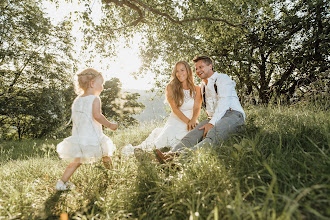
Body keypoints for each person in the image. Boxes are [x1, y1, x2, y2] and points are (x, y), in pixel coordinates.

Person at [154, 55, 245, 162]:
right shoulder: (202, 86)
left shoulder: (222, 78)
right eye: (196, 68)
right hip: (213, 118)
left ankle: (180, 158)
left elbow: (224, 104)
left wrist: (211, 124)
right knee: (191, 135)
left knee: (212, 135)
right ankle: (169, 155)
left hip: (232, 115)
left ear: (210, 66)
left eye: (201, 67)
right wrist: (209, 121)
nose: (198, 70)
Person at [55, 68, 118, 191]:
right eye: (102, 84)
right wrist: (110, 125)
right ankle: (113, 175)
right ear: (92, 83)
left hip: (80, 137)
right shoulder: (95, 98)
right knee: (105, 155)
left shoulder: (78, 100)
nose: (103, 87)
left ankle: (61, 182)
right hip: (93, 136)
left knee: (76, 161)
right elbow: (97, 116)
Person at [121, 61, 202, 155]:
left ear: (188, 71)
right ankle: (144, 153)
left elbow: (197, 107)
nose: (179, 74)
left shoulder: (197, 89)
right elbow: (175, 109)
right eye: (177, 71)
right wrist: (188, 122)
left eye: (182, 70)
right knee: (162, 143)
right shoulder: (171, 87)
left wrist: (193, 120)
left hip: (192, 120)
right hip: (176, 120)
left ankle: (171, 155)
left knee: (191, 143)